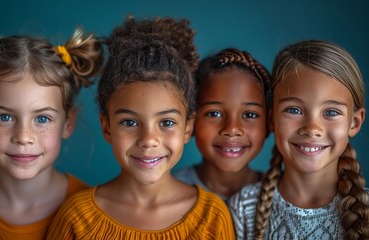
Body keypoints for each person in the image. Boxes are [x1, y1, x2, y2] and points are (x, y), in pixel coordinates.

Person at [46, 16, 235, 239]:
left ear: (187, 128)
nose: (148, 139)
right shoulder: (76, 217)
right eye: (130, 122)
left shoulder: (212, 216)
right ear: (106, 127)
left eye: (166, 123)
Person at [0, 27, 103, 239]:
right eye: (5, 117)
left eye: (42, 118)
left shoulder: (95, 215)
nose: (23, 137)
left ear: (68, 122)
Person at [227, 40, 369, 239]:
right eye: (294, 110)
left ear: (355, 122)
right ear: (272, 118)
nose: (312, 129)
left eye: (331, 112)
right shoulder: (244, 209)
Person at [173, 48, 271, 200]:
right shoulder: (166, 195)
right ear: (191, 121)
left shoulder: (283, 197)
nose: (232, 129)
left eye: (250, 114)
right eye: (214, 114)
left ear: (269, 123)